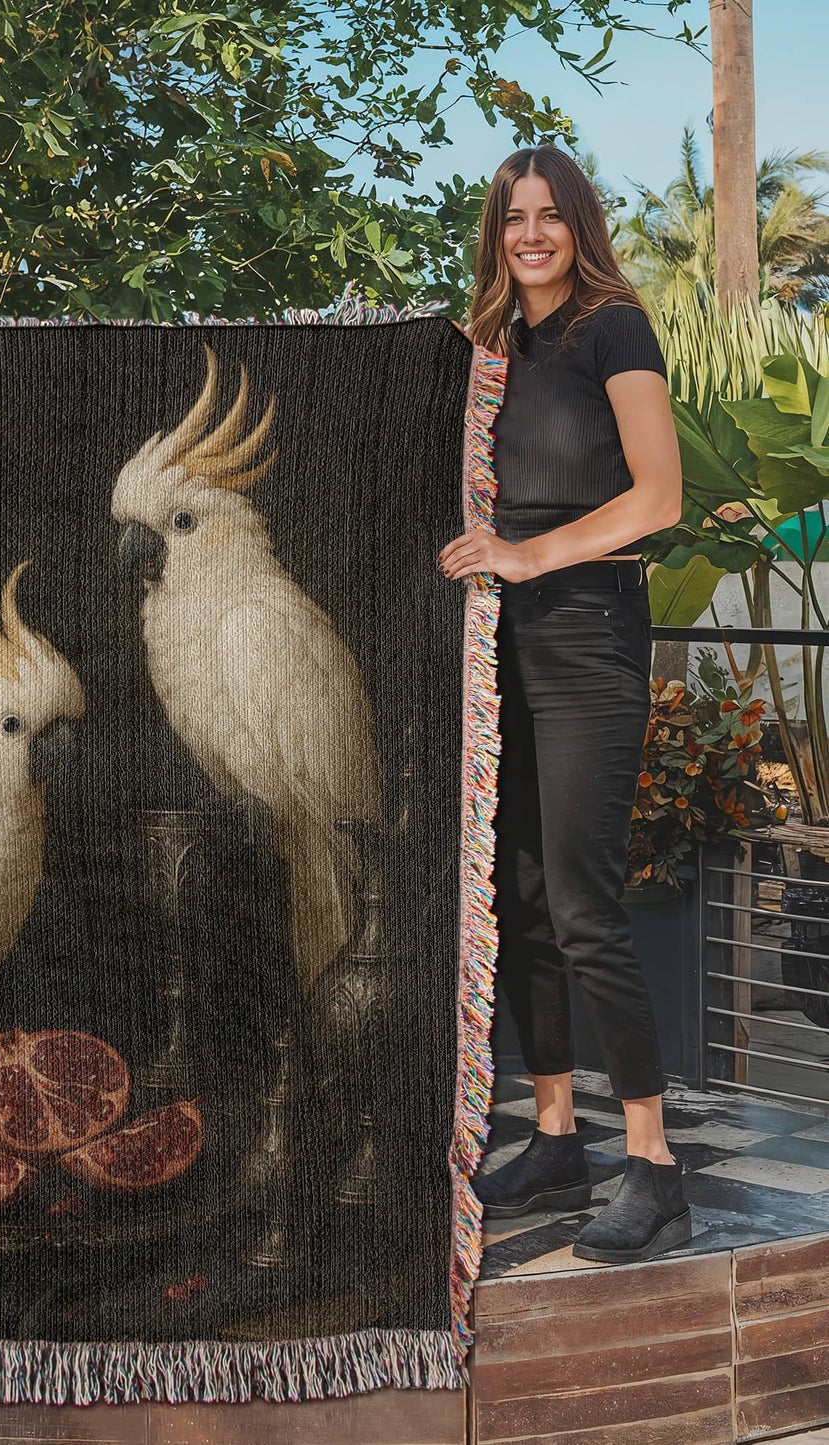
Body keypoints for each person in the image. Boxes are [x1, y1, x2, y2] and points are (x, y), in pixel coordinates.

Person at [439, 146, 687, 1263]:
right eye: (511, 219)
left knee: (583, 901)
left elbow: (659, 494)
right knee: (521, 898)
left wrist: (530, 556)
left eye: (547, 215)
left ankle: (651, 1164)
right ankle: (552, 1133)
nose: (528, 234)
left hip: (586, 630)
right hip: (501, 634)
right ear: (493, 234)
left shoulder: (611, 325)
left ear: (577, 222)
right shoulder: (494, 346)